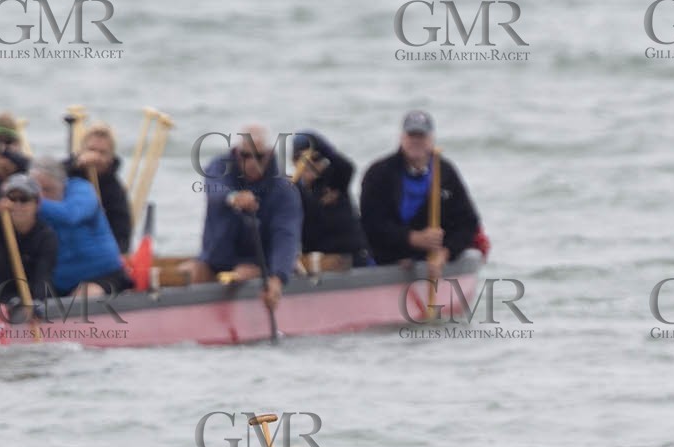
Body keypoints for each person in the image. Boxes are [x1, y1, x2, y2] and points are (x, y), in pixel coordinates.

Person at [183, 124, 302, 313]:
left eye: (259, 156)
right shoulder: (219, 167)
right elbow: (214, 190)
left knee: (244, 273)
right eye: (246, 155)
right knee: (187, 273)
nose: (252, 162)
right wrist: (233, 198)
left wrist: (277, 279)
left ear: (269, 154)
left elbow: (286, 236)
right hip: (215, 261)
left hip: (257, 265)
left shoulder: (284, 192)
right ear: (237, 153)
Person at [359, 110, 481, 272]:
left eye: (421, 136)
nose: (416, 141)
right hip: (385, 260)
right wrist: (411, 238)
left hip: (432, 262)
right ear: (402, 138)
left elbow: (468, 222)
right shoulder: (378, 173)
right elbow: (371, 223)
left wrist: (446, 252)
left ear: (431, 139)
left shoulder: (445, 172)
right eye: (411, 136)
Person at [29, 156, 132, 297]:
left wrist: (32, 202)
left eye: (47, 189)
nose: (42, 196)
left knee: (85, 298)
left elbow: (71, 215)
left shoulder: (82, 191)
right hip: (56, 282)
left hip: (102, 275)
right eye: (36, 192)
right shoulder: (31, 205)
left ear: (63, 183)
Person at [291, 131, 369, 268]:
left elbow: (346, 166)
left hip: (350, 257)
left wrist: (318, 144)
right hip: (316, 261)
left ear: (323, 161)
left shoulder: (335, 179)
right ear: (293, 162)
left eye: (314, 158)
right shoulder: (291, 191)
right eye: (301, 159)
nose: (308, 164)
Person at [0, 173, 59, 310]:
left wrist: (36, 306)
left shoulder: (47, 237)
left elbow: (43, 278)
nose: (17, 205)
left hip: (32, 299)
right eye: (12, 199)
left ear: (37, 204)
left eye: (24, 199)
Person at [67, 122, 132, 252]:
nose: (95, 157)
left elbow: (122, 236)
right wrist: (76, 166)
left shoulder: (115, 191)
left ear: (111, 158)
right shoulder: (64, 174)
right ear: (81, 152)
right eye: (91, 150)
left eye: (102, 153)